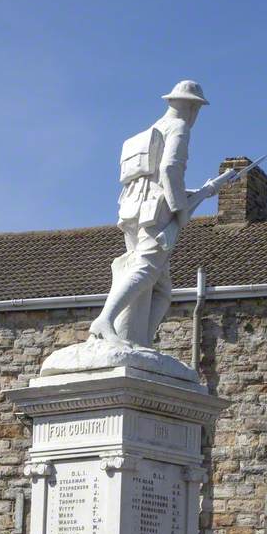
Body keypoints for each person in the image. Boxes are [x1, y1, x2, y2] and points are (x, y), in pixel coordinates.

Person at [89, 80, 215, 347]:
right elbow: (170, 170)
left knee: (161, 287)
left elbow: (158, 180)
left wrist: (199, 192)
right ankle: (105, 319)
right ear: (192, 107)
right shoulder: (179, 127)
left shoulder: (151, 131)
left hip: (133, 211)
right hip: (157, 214)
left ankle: (142, 341)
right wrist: (181, 212)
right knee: (146, 269)